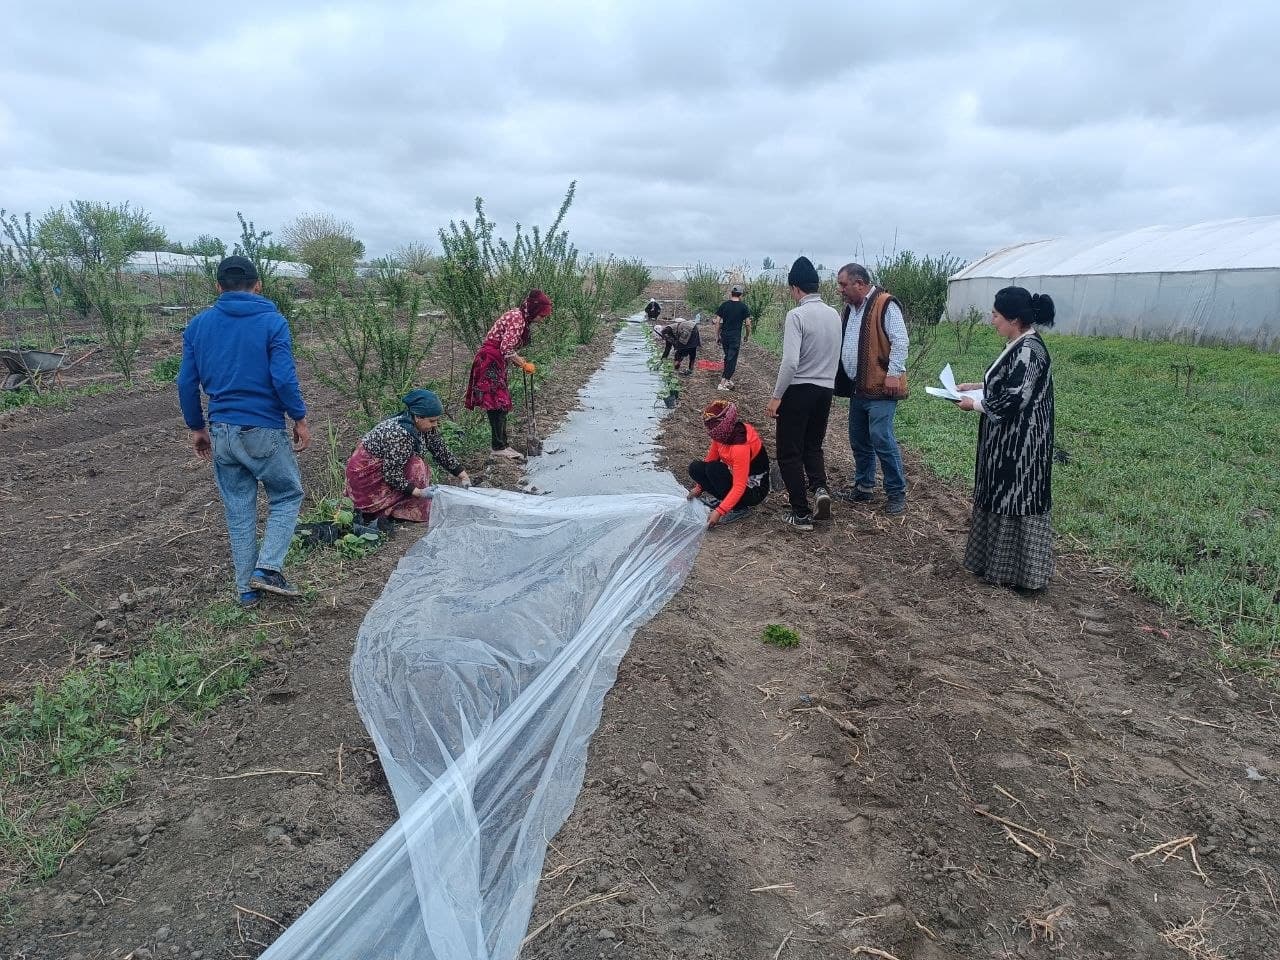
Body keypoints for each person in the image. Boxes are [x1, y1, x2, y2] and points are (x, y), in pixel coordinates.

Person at [177, 255, 310, 609]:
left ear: (218, 286)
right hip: (262, 428)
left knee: (238, 509)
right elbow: (282, 377)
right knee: (287, 495)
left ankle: (246, 592)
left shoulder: (198, 325)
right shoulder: (273, 322)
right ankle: (267, 569)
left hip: (221, 430)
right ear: (258, 285)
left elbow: (186, 382)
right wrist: (298, 416)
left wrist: (197, 427)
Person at [955, 286, 1056, 591]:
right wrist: (976, 385)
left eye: (996, 315)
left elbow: (1016, 397)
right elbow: (1006, 382)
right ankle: (996, 568)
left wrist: (976, 403)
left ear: (1014, 319)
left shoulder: (1030, 350)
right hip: (1005, 441)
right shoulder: (1018, 343)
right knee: (1000, 494)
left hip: (1022, 445)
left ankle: (1024, 576)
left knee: (1017, 499)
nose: (992, 320)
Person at [765, 257, 842, 530]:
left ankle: (800, 513)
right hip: (825, 390)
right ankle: (820, 489)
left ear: (795, 288)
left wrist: (777, 396)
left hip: (799, 390)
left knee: (789, 452)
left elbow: (790, 362)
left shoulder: (796, 315)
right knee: (813, 445)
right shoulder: (834, 314)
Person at [834, 263, 910, 515]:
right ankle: (864, 487)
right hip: (859, 387)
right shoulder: (850, 309)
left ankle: (896, 492)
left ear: (860, 283)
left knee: (881, 437)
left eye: (844, 284)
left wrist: (893, 374)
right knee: (859, 440)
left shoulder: (885, 303)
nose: (840, 289)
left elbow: (900, 340)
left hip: (881, 388)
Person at [345, 388, 471, 526]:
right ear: (418, 417)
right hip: (365, 477)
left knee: (416, 464)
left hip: (387, 468)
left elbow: (440, 450)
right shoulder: (401, 434)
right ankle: (395, 508)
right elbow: (391, 474)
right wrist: (419, 492)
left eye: (436, 420)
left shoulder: (423, 427)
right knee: (417, 467)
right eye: (432, 421)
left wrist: (463, 475)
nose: (435, 424)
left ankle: (403, 504)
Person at [465, 289, 552, 459]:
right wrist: (523, 364)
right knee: (498, 404)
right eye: (541, 316)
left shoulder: (519, 317)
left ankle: (502, 445)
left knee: (501, 404)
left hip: (494, 361)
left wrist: (519, 360)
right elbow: (506, 348)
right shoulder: (517, 319)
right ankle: (498, 447)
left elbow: (506, 347)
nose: (541, 320)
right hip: (489, 361)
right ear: (534, 310)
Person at [685, 399, 771, 526]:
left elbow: (739, 486)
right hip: (739, 480)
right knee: (696, 468)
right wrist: (699, 487)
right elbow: (710, 460)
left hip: (754, 489)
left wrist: (720, 511)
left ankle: (739, 508)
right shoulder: (722, 436)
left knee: (714, 469)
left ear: (722, 426)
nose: (710, 431)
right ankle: (725, 499)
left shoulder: (740, 446)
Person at [714, 283, 753, 391]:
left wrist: (717, 336)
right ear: (741, 295)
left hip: (725, 336)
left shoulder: (724, 305)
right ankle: (722, 383)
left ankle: (727, 379)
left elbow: (717, 322)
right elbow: (748, 324)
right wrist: (747, 336)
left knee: (728, 357)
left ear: (731, 293)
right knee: (732, 360)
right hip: (735, 338)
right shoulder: (743, 307)